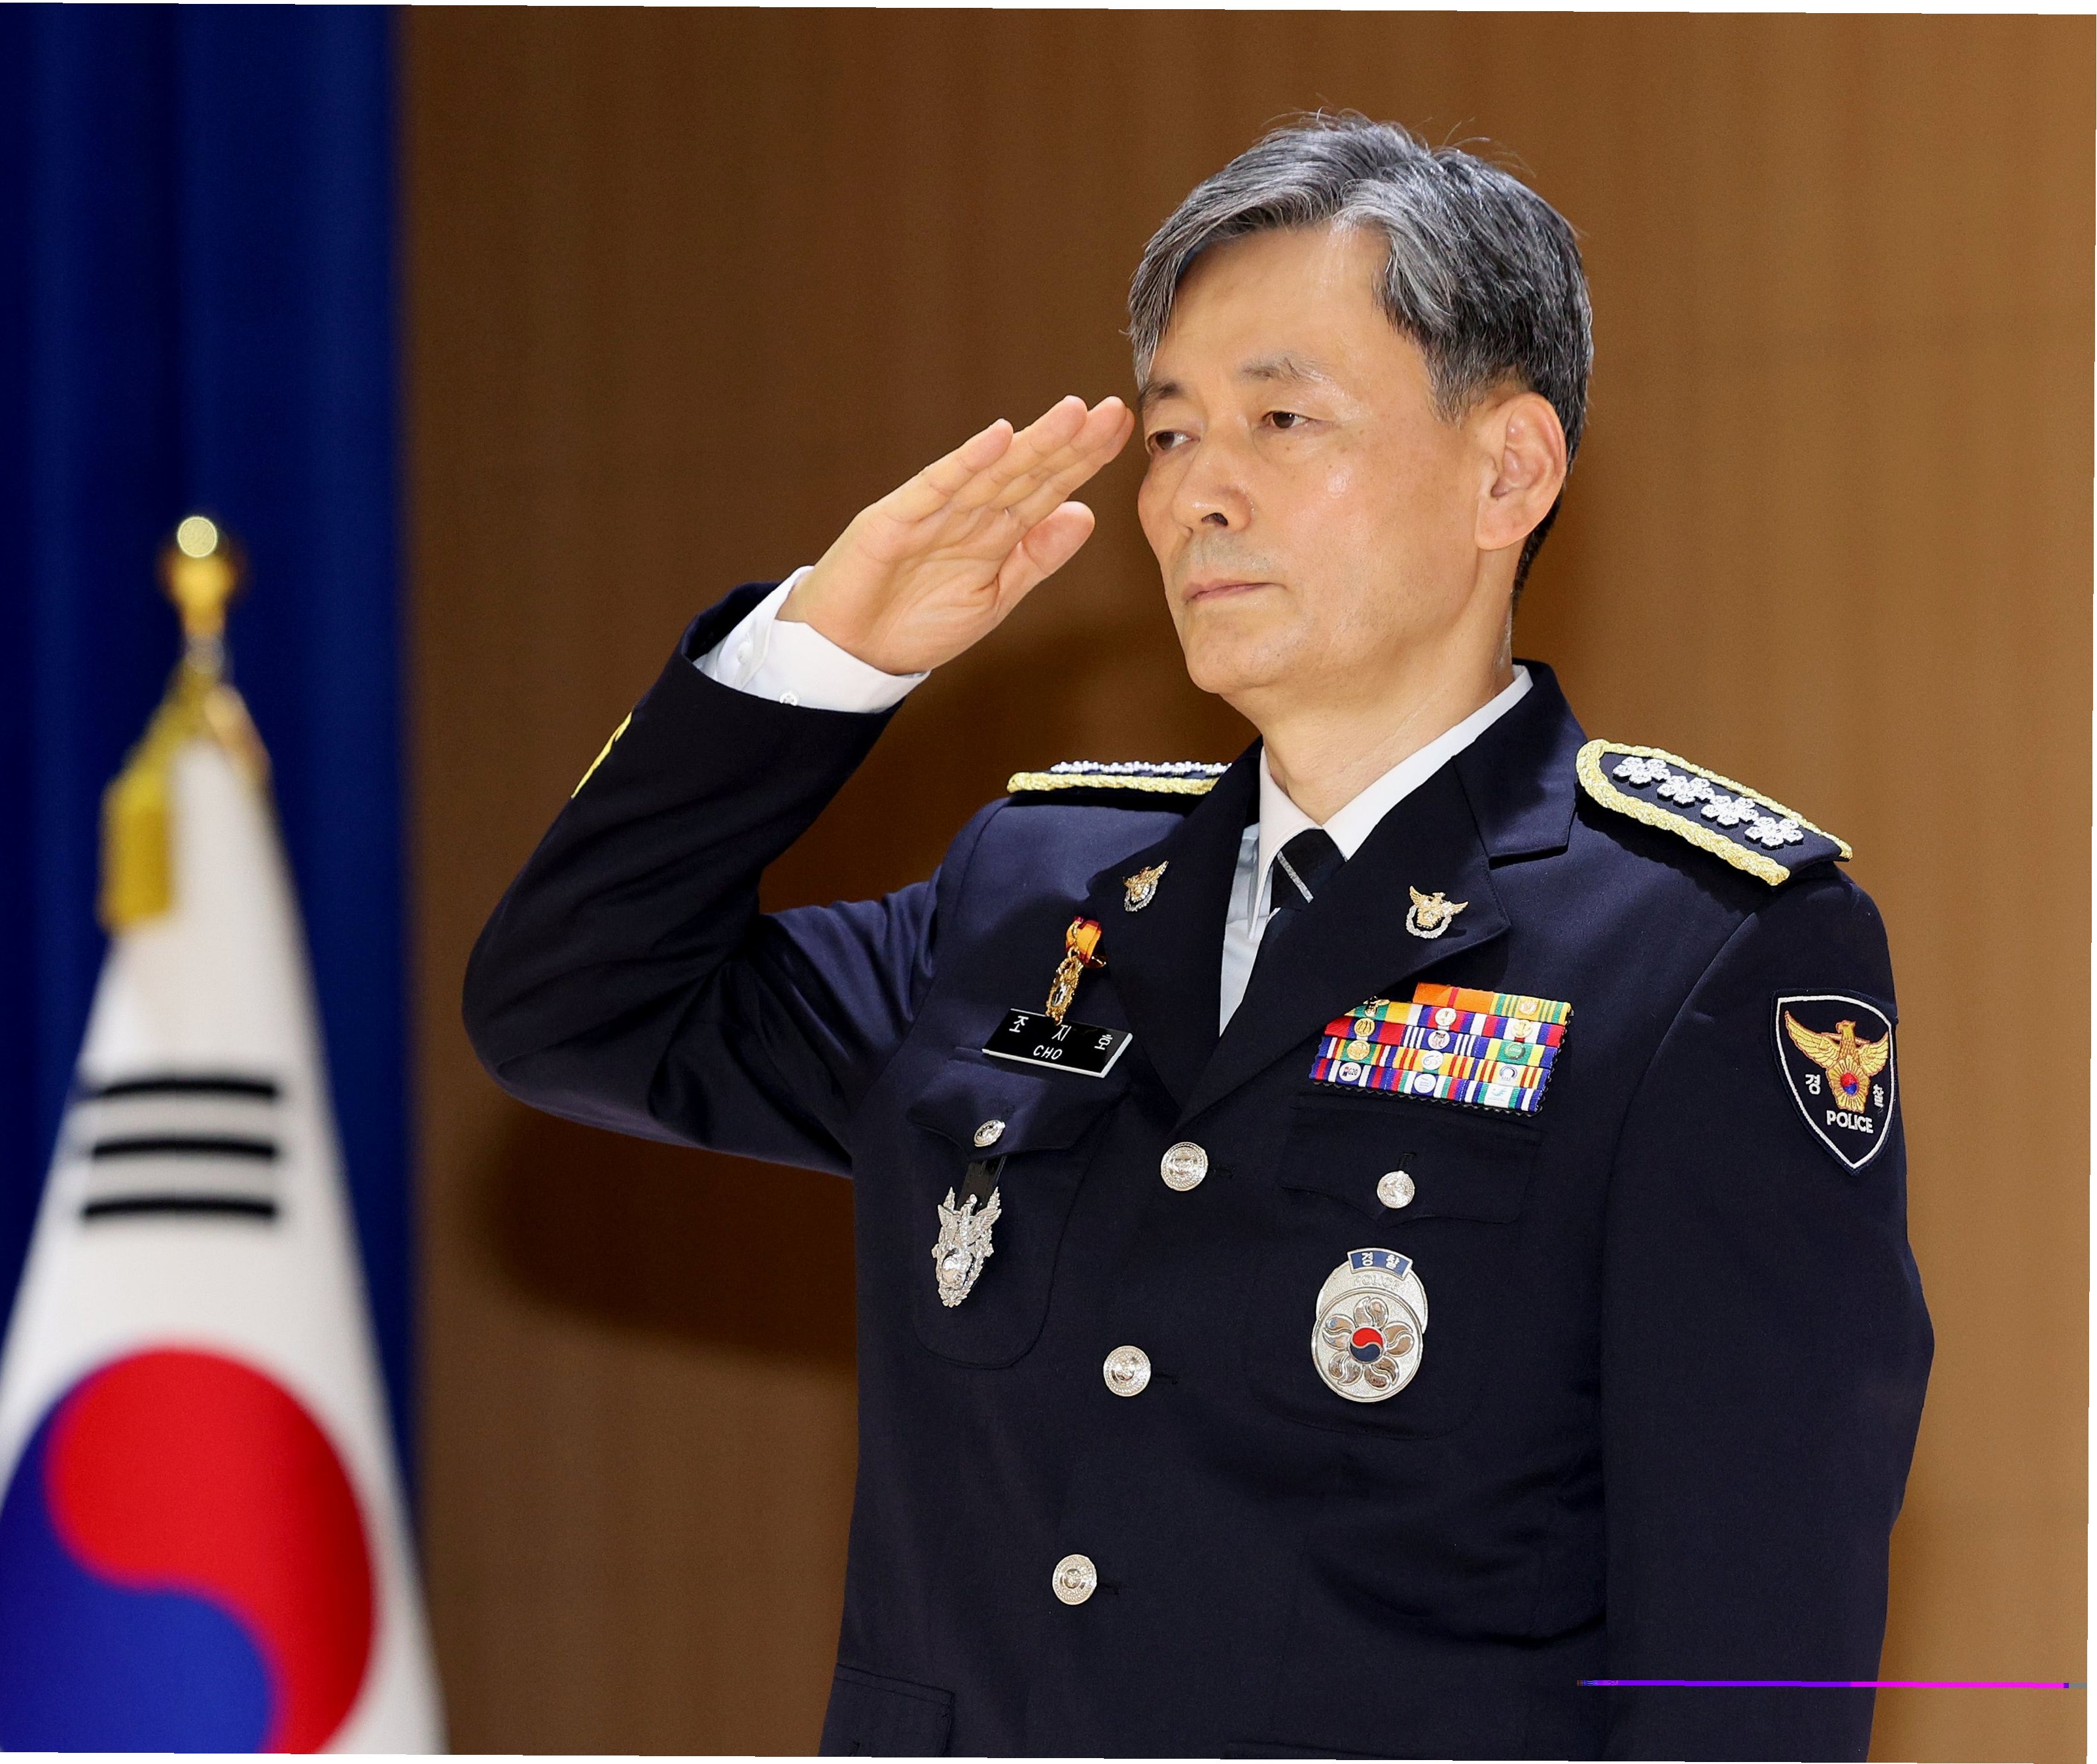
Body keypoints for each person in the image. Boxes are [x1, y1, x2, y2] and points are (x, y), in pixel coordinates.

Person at [464, 114, 1930, 1761]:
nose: (1192, 497)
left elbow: (1745, 1658)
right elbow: (573, 1010)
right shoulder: (1034, 891)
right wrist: (821, 659)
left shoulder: (1693, 951)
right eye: (1168, 435)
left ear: (1506, 471)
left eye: (1280, 420)